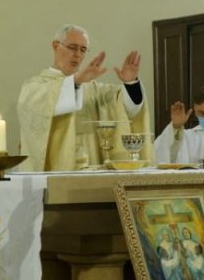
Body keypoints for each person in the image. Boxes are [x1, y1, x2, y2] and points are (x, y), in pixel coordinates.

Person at [17, 24, 146, 171]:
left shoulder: (93, 89)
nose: (78, 54)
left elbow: (128, 108)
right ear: (55, 45)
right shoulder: (35, 86)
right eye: (72, 47)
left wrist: (130, 83)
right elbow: (37, 110)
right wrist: (76, 82)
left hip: (93, 169)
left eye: (83, 50)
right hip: (56, 173)